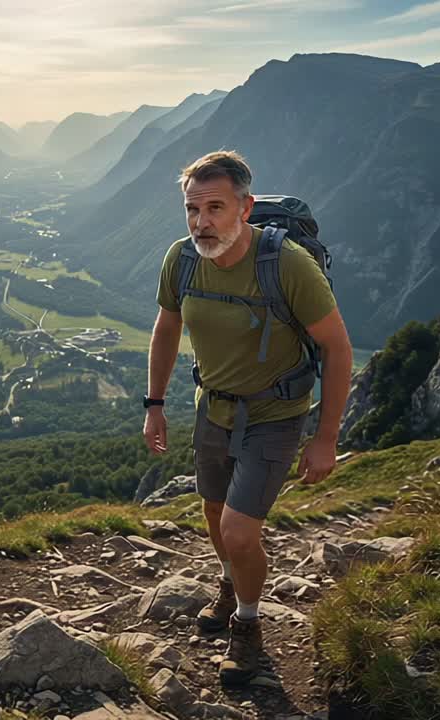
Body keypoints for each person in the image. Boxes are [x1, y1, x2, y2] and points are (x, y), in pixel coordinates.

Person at [142, 150, 352, 685]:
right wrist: (155, 404)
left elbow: (337, 348)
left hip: (275, 413)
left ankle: (248, 625)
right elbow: (166, 328)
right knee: (215, 513)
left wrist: (326, 437)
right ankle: (232, 583)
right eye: (192, 209)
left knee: (237, 531)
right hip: (213, 407)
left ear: (245, 207)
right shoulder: (181, 259)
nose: (201, 222)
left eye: (215, 208)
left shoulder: (287, 265)